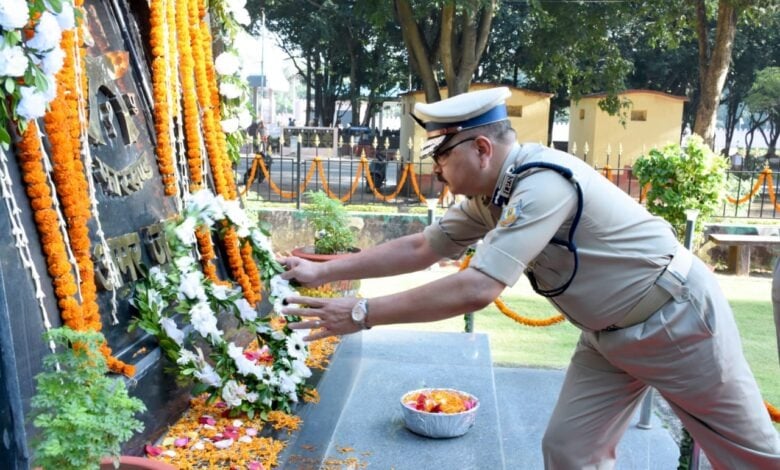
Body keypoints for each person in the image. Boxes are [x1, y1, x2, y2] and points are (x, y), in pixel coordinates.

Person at [279, 87, 780, 468]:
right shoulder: (491, 197)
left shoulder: (541, 183)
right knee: (568, 450)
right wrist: (322, 269)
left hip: (676, 322)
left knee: (751, 455)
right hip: (609, 337)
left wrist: (363, 312)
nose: (435, 171)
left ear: (480, 148)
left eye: (440, 156)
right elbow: (421, 247)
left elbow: (478, 287)